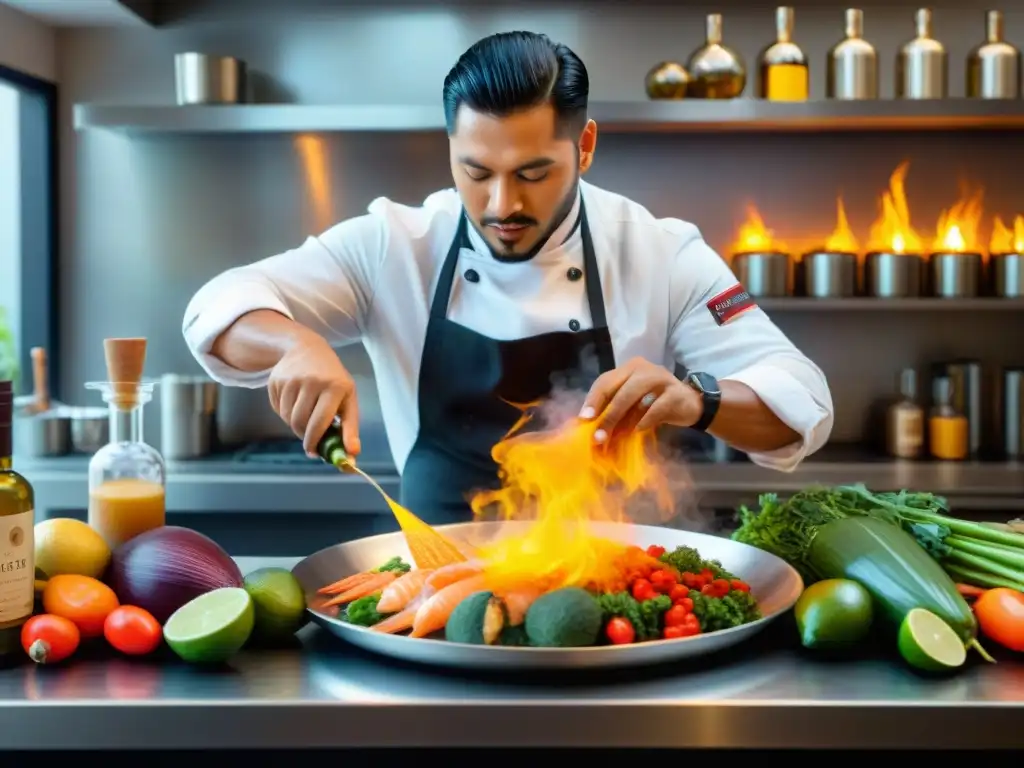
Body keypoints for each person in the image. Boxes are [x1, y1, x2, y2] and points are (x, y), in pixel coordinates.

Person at [182, 31, 834, 527]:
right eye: (475, 172)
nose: (502, 206)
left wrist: (700, 400)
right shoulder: (394, 245)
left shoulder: (661, 253)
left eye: (531, 173)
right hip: (438, 586)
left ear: (584, 148)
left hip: (611, 601)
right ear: (450, 151)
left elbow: (802, 400)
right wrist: (294, 345)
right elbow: (219, 305)